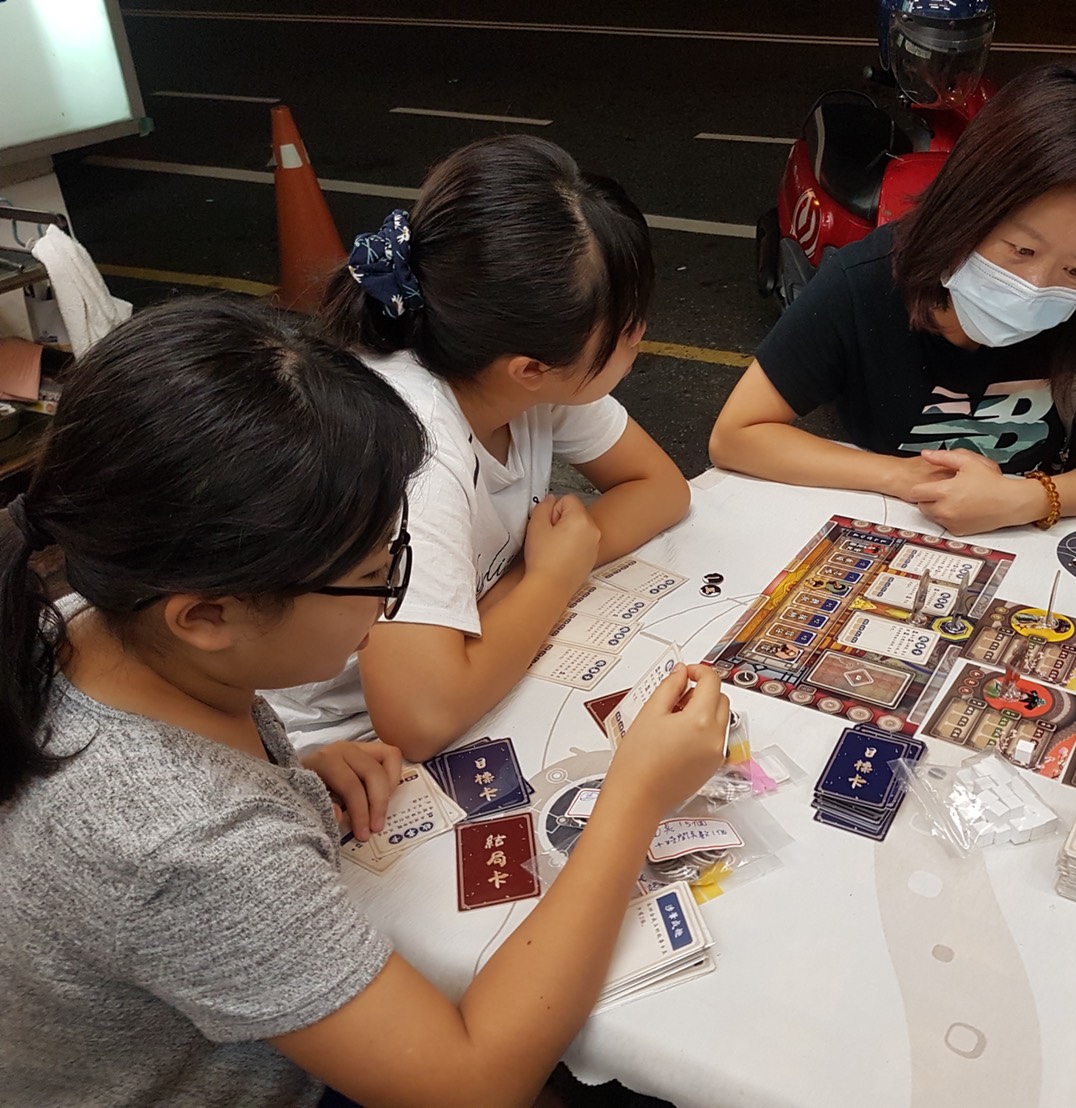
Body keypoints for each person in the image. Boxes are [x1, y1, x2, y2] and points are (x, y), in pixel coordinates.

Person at [0, 299, 727, 1107]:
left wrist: (292, 778)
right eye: (376, 576)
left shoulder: (92, 620)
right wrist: (631, 801)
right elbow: (472, 1090)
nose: (393, 604)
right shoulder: (189, 842)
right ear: (206, 617)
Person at [269, 135, 690, 760]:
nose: (642, 334)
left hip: (456, 677)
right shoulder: (415, 450)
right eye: (627, 329)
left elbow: (660, 488)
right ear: (531, 369)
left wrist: (510, 590)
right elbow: (419, 718)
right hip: (335, 742)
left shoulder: (509, 365)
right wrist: (550, 577)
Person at [709, 60, 1076, 536]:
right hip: (897, 523)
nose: (1036, 284)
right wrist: (900, 476)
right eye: (1021, 250)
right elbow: (738, 434)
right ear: (967, 208)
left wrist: (1028, 498)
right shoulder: (864, 284)